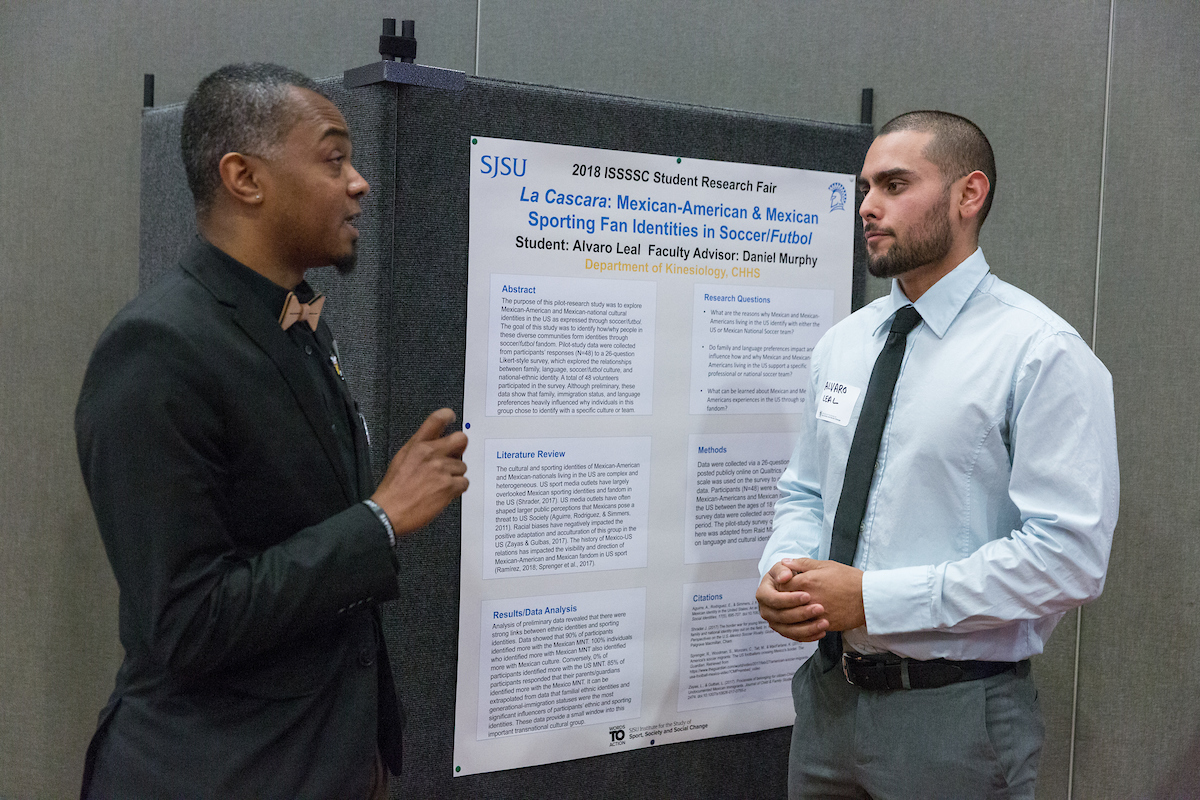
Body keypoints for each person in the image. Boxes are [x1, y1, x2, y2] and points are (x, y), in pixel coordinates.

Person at [74, 63, 468, 799]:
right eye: (333, 158)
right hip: (217, 774)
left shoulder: (295, 323)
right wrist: (379, 522)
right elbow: (188, 623)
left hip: (325, 762)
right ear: (243, 178)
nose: (360, 183)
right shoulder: (157, 351)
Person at [756, 111, 1118, 799]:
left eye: (895, 184)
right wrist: (785, 571)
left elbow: (1068, 559)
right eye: (865, 187)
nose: (867, 206)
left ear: (968, 194)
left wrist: (871, 598)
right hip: (828, 704)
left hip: (955, 720)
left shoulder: (1040, 353)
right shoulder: (845, 344)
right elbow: (805, 491)